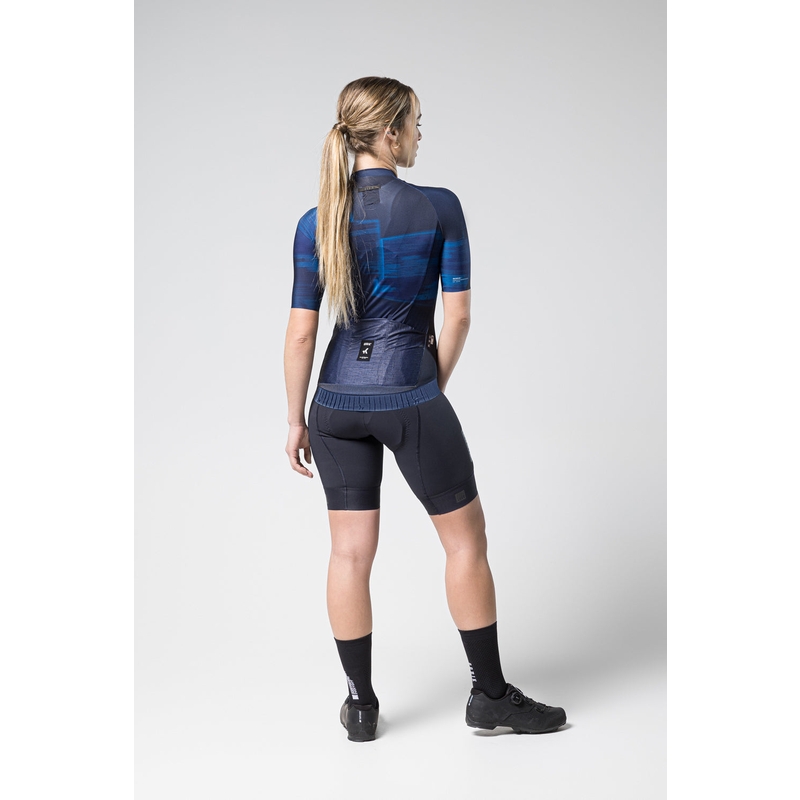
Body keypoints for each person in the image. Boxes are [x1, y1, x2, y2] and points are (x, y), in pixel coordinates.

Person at [283, 76, 566, 742]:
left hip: (332, 403)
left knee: (348, 555)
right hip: (408, 392)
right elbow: (458, 316)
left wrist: (296, 419)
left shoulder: (315, 220)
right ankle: (490, 697)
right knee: (465, 543)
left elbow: (300, 333)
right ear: (390, 133)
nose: (419, 134)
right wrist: (425, 389)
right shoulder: (439, 207)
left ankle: (359, 706)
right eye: (415, 122)